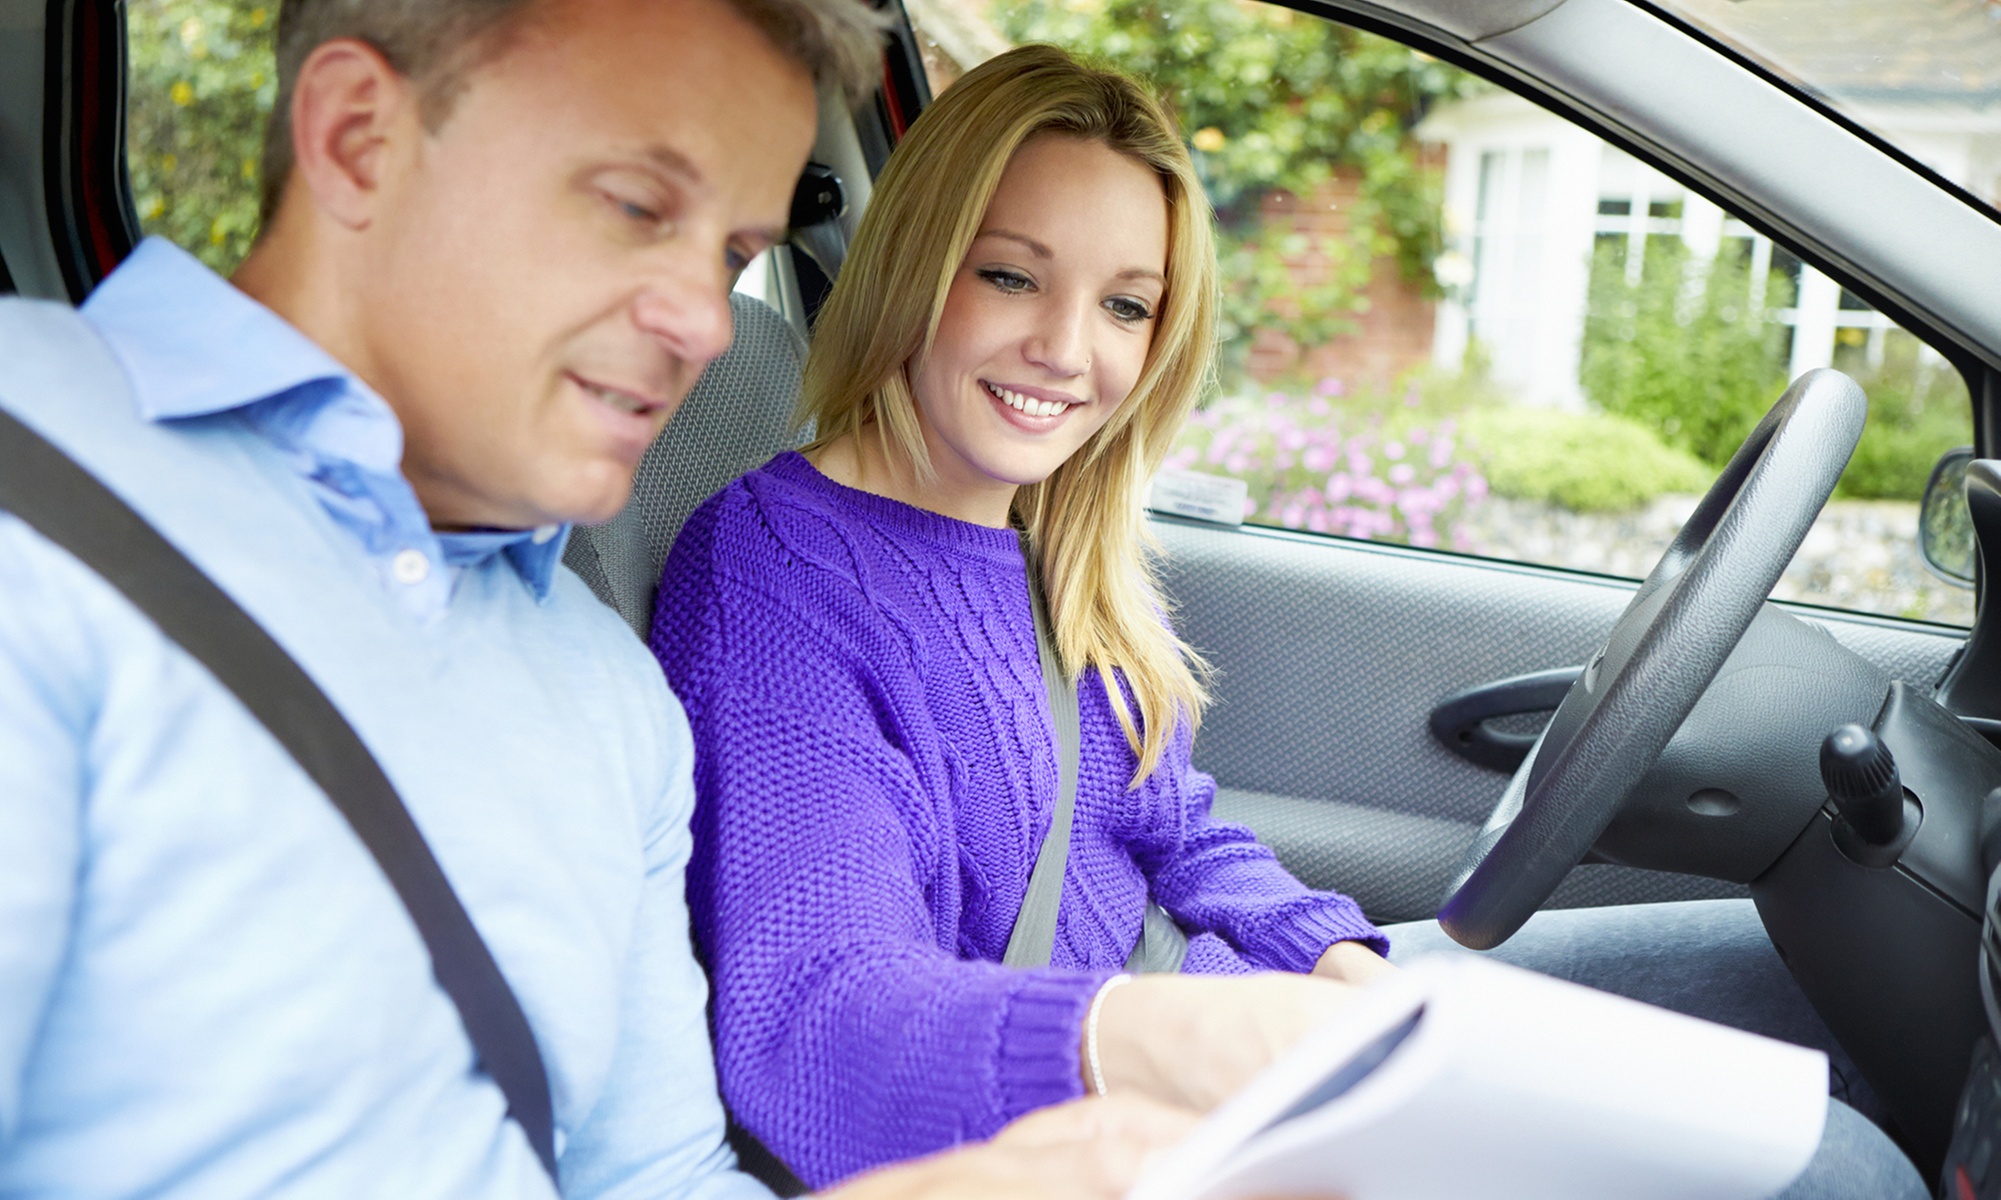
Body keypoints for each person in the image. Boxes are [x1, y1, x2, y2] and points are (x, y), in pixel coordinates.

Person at [649, 43, 1930, 1200]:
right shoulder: (775, 577)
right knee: (1840, 1169)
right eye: (1009, 275)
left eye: (1124, 306)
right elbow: (818, 1024)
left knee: (1796, 981)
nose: (1066, 349)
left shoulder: (1040, 536)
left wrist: (1337, 970)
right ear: (917, 263)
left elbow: (1171, 828)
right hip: (1130, 1131)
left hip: (1245, 1028)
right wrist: (1189, 1045)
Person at [0, 0, 1207, 1195]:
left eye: (734, 256)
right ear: (360, 137)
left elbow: (657, 1177)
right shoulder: (38, 503)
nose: (704, 323)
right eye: (637, 207)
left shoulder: (602, 687)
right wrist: (1131, 1042)